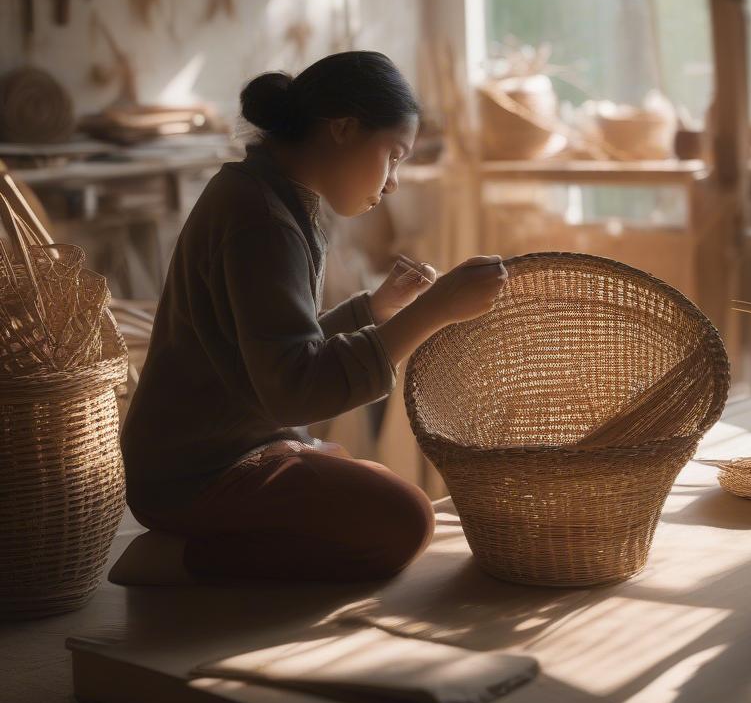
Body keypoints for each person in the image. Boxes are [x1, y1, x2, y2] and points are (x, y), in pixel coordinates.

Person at [112, 51, 506, 585]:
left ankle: (209, 537)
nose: (392, 183)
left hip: (203, 455)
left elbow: (275, 348)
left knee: (365, 484)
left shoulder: (265, 195)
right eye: (394, 155)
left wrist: (376, 309)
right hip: (197, 472)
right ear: (343, 128)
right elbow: (294, 389)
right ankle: (182, 562)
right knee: (405, 521)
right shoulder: (262, 219)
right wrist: (436, 312)